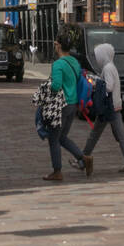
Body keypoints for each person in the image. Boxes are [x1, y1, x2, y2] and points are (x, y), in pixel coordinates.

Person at [81, 43, 124, 176]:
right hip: (113, 106)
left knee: (97, 135)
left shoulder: (107, 68)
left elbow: (109, 87)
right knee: (117, 135)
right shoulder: (111, 67)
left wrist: (97, 84)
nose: (97, 59)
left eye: (98, 56)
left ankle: (83, 159)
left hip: (109, 107)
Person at [42, 31, 87, 182]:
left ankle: (57, 171)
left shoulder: (58, 64)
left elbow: (55, 86)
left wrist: (46, 89)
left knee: (54, 139)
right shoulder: (74, 62)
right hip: (73, 104)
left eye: (55, 43)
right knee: (62, 137)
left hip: (61, 105)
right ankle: (83, 158)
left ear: (58, 45)